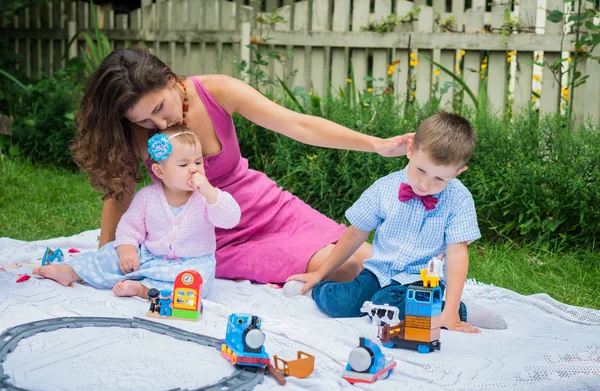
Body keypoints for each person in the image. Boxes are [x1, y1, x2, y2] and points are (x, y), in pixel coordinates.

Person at [67, 47, 414, 285]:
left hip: (265, 207)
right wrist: (105, 253)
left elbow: (299, 125)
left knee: (372, 260)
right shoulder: (132, 131)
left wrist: (377, 145)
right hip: (208, 234)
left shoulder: (216, 91)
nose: (159, 124)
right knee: (345, 268)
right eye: (144, 120)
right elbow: (119, 191)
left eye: (159, 108)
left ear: (170, 80)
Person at [286, 112, 506, 332]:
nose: (425, 184)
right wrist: (320, 273)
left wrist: (452, 308)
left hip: (422, 281)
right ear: (410, 149)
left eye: (439, 178)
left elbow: (458, 254)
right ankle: (315, 290)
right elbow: (355, 233)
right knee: (341, 304)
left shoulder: (459, 199)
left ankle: (454, 310)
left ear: (459, 172)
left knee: (387, 305)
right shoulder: (384, 188)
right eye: (421, 170)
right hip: (378, 272)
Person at [33, 126, 241, 298]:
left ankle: (142, 289)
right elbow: (130, 226)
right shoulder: (148, 197)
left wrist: (209, 192)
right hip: (149, 255)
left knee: (194, 284)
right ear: (160, 171)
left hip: (190, 262)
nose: (194, 169)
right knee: (109, 254)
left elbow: (230, 218)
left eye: (198, 162)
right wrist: (127, 249)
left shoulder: (206, 198)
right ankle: (72, 271)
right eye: (183, 164)